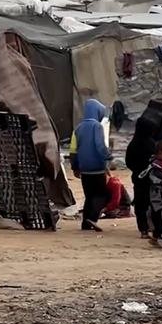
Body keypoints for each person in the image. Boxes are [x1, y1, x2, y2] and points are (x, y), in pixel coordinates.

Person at [125, 100, 162, 239]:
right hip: (152, 179)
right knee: (153, 203)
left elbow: (128, 162)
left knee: (140, 204)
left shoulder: (132, 144)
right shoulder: (153, 145)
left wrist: (137, 170)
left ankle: (143, 229)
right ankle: (156, 229)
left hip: (138, 177)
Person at [70, 98, 113, 232]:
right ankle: (93, 218)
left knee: (89, 196)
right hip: (97, 168)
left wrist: (75, 167)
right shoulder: (97, 126)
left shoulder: (78, 128)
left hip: (84, 170)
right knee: (103, 195)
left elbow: (73, 150)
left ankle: (85, 224)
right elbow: (100, 146)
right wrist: (108, 157)